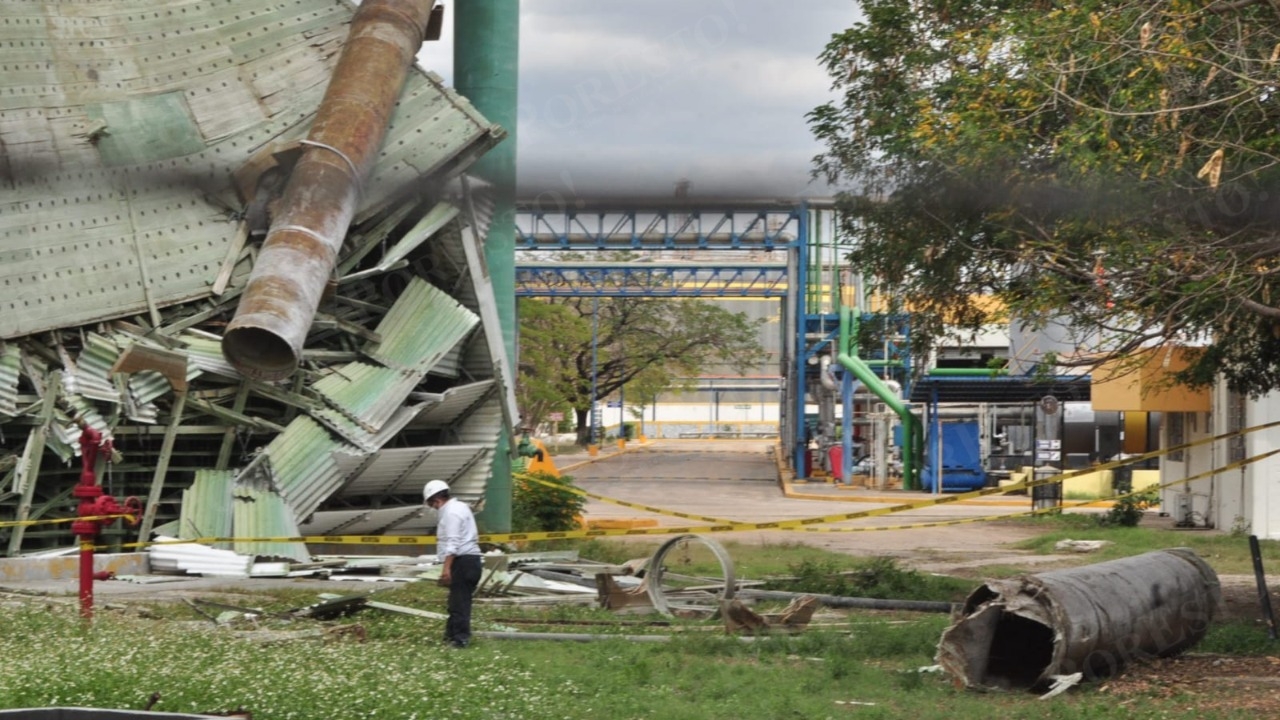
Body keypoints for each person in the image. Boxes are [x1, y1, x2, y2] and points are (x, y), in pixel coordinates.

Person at [424, 479, 482, 648]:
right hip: (470, 561)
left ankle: (460, 639)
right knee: (456, 601)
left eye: (432, 504)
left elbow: (453, 544)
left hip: (462, 561)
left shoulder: (451, 513)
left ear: (436, 500)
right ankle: (450, 636)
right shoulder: (460, 507)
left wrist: (446, 569)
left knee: (459, 603)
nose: (433, 508)